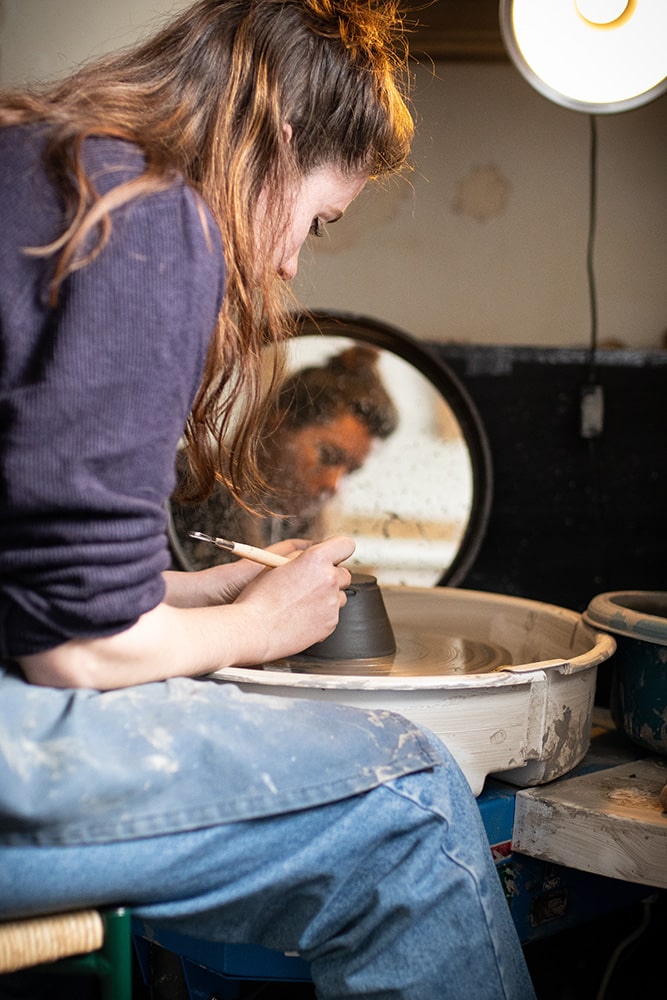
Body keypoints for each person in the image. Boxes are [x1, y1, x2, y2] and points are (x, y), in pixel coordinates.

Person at [0, 2, 536, 998]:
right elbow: (76, 646)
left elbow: (34, 581)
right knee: (412, 796)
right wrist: (255, 627)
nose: (292, 260)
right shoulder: (147, 211)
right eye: (321, 218)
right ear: (280, 131)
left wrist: (199, 599)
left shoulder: (39, 157)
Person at [171, 342, 399, 569]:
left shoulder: (296, 523)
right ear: (281, 422)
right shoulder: (192, 484)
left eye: (351, 470)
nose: (333, 485)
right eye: (328, 456)